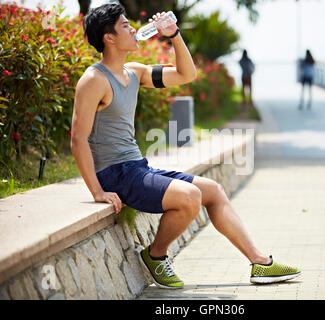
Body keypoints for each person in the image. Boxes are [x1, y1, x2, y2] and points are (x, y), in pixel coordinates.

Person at [71, 3, 301, 290]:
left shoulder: (134, 73)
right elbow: (78, 138)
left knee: (213, 191)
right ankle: (156, 255)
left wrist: (174, 34)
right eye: (125, 25)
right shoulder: (94, 80)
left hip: (136, 169)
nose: (133, 29)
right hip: (115, 174)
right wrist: (97, 191)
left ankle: (259, 263)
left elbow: (186, 75)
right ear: (109, 38)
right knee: (190, 196)